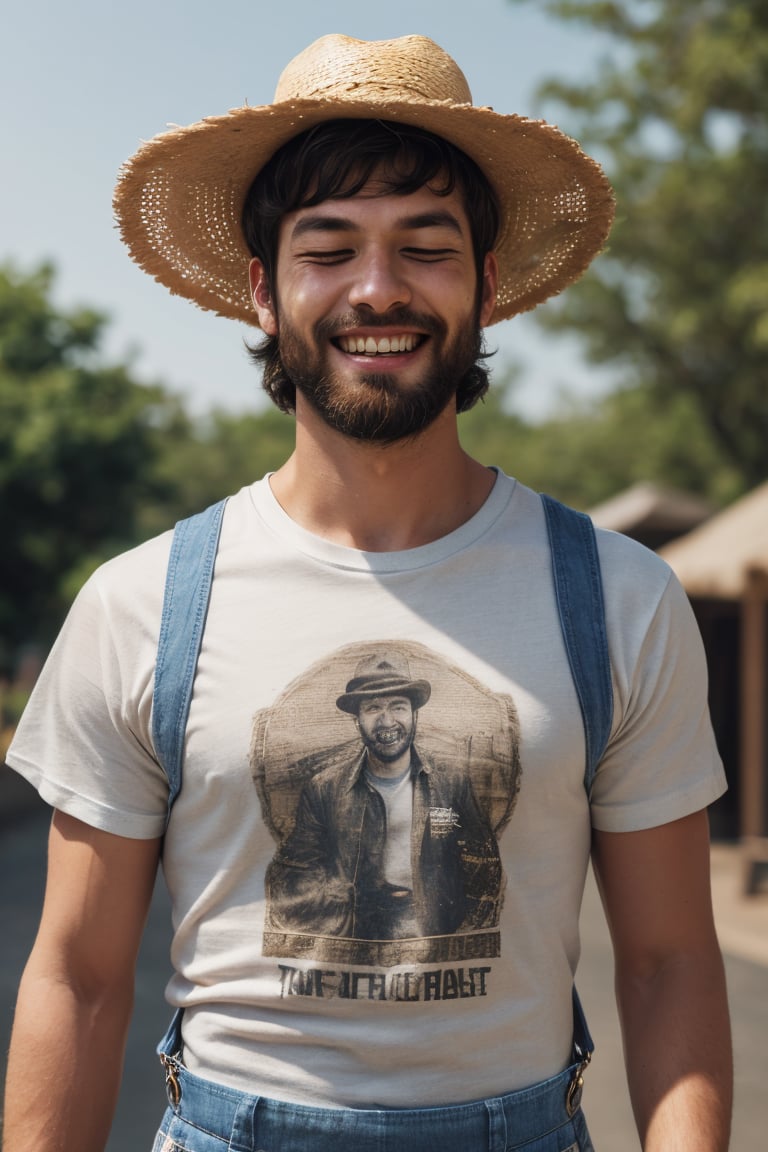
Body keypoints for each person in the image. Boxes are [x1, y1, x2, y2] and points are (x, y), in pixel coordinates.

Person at [3, 32, 732, 1152]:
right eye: (329, 247)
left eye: (426, 248)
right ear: (264, 290)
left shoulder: (620, 601)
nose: (377, 289)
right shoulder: (142, 604)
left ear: (487, 285)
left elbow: (672, 961)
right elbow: (80, 980)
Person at [264, 650, 504, 954]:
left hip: (435, 931)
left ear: (415, 714)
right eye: (373, 708)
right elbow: (295, 874)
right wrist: (338, 908)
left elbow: (485, 868)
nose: (387, 721)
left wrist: (459, 934)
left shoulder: (452, 783)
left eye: (398, 707)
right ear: (357, 721)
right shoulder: (324, 789)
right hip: (351, 931)